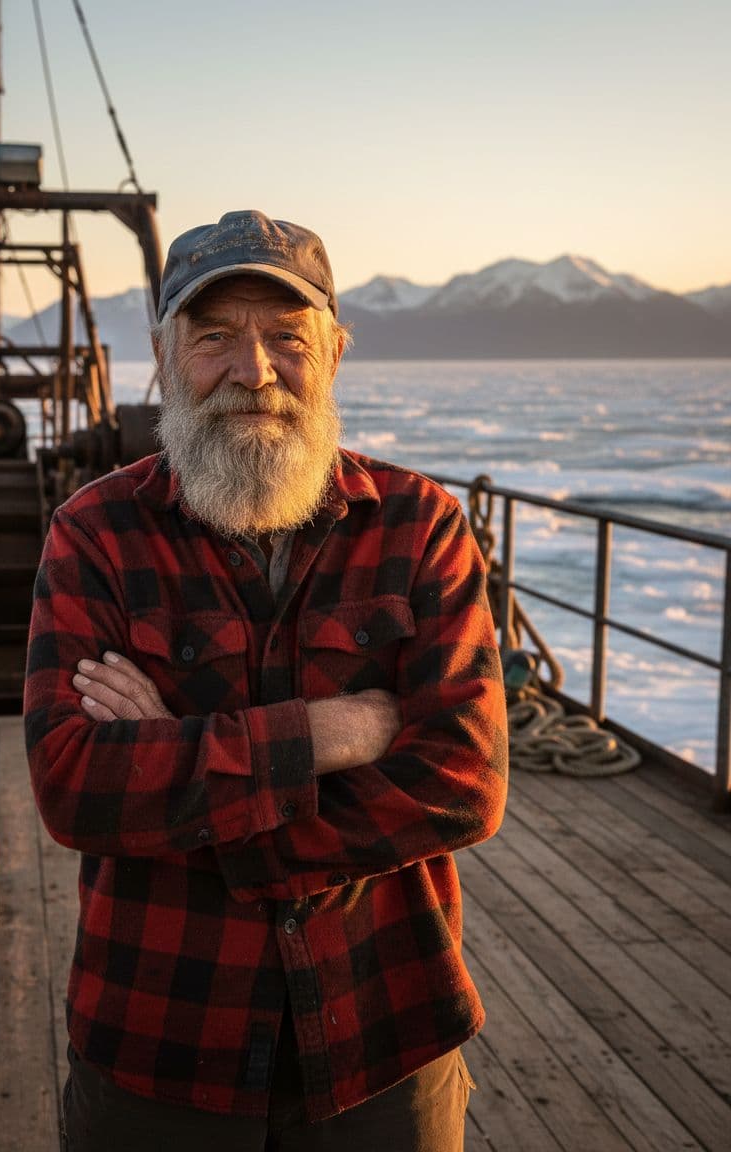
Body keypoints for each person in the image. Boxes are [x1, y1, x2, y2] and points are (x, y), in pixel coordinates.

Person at [25, 209, 508, 1152]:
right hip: (162, 1049)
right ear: (164, 361)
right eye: (214, 338)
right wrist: (332, 733)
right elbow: (76, 785)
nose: (254, 370)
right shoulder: (96, 534)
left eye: (287, 336)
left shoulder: (420, 525)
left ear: (332, 355)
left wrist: (182, 771)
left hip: (385, 1040)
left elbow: (464, 783)